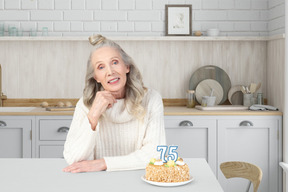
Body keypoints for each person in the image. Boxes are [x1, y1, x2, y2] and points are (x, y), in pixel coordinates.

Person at [62, 34, 166, 173]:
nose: (110, 72)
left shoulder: (151, 99)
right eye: (101, 67)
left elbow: (156, 154)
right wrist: (93, 115)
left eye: (115, 62)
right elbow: (73, 159)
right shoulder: (86, 105)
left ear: (127, 67)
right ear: (96, 78)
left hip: (140, 179)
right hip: (98, 182)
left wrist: (104, 163)